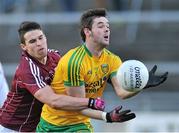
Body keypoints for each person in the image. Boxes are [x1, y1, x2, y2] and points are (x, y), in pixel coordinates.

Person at [37, 8, 168, 132]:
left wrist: (141, 84)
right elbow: (77, 106)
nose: (107, 30)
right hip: (52, 125)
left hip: (80, 125)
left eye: (108, 26)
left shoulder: (112, 60)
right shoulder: (74, 62)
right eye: (101, 26)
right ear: (87, 32)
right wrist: (107, 116)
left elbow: (122, 92)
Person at [0, 21, 107, 132]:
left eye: (41, 38)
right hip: (13, 127)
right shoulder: (27, 69)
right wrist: (90, 102)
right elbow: (53, 101)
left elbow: (68, 84)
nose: (39, 43)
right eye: (32, 41)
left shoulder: (55, 56)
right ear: (24, 47)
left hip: (39, 127)